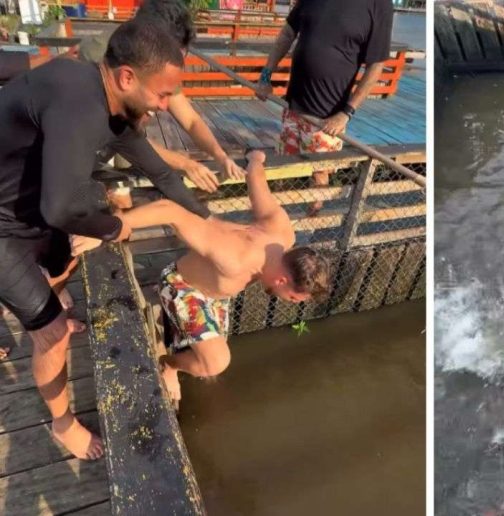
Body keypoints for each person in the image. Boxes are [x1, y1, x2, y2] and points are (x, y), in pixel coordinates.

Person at [0, 20, 211, 460]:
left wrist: (208, 222)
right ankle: (63, 424)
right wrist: (117, 227)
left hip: (32, 203)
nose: (167, 106)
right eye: (163, 94)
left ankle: (37, 303)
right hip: (6, 222)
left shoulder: (111, 102)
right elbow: (61, 210)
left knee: (63, 261)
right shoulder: (79, 105)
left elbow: (161, 172)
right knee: (53, 334)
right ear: (127, 77)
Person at [98, 150, 332, 406]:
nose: (293, 303)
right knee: (215, 363)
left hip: (216, 295)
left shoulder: (282, 232)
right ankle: (169, 365)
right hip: (182, 286)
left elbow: (258, 185)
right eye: (294, 298)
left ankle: (184, 351)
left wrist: (255, 160)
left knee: (211, 353)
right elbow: (170, 211)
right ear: (281, 282)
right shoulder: (233, 256)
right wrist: (107, 229)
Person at [79, 0, 246, 192]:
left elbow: (190, 120)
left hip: (119, 138)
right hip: (80, 147)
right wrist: (185, 164)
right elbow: (122, 135)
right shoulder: (103, 54)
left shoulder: (158, 55)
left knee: (124, 196)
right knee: (114, 199)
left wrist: (221, 156)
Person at [255, 0, 394, 216]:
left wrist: (346, 113)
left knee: (320, 175)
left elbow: (376, 64)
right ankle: (276, 219)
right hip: (293, 107)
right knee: (281, 169)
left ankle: (312, 222)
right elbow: (287, 33)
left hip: (327, 118)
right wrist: (265, 76)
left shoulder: (378, 5)